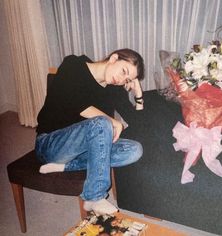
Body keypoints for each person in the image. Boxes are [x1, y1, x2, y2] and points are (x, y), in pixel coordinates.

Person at [35, 48, 145, 215]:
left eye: (127, 79)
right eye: (124, 71)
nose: (122, 80)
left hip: (83, 150)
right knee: (101, 123)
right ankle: (94, 197)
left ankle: (66, 167)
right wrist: (113, 121)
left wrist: (138, 96)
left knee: (135, 150)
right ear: (114, 58)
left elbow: (137, 124)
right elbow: (76, 103)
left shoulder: (113, 89)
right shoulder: (74, 65)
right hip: (50, 144)